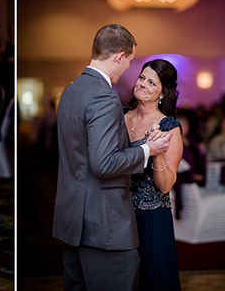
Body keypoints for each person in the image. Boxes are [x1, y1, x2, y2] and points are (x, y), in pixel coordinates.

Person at [52, 24, 172, 291]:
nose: (129, 69)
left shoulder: (71, 91)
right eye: (129, 61)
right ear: (119, 56)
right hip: (103, 225)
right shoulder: (104, 97)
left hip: (72, 220)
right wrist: (148, 151)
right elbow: (103, 163)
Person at [124, 59, 184, 291]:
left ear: (162, 93)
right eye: (142, 78)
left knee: (153, 281)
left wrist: (156, 153)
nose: (143, 85)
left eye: (151, 83)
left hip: (151, 217)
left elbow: (166, 185)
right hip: (118, 212)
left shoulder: (169, 127)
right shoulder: (120, 118)